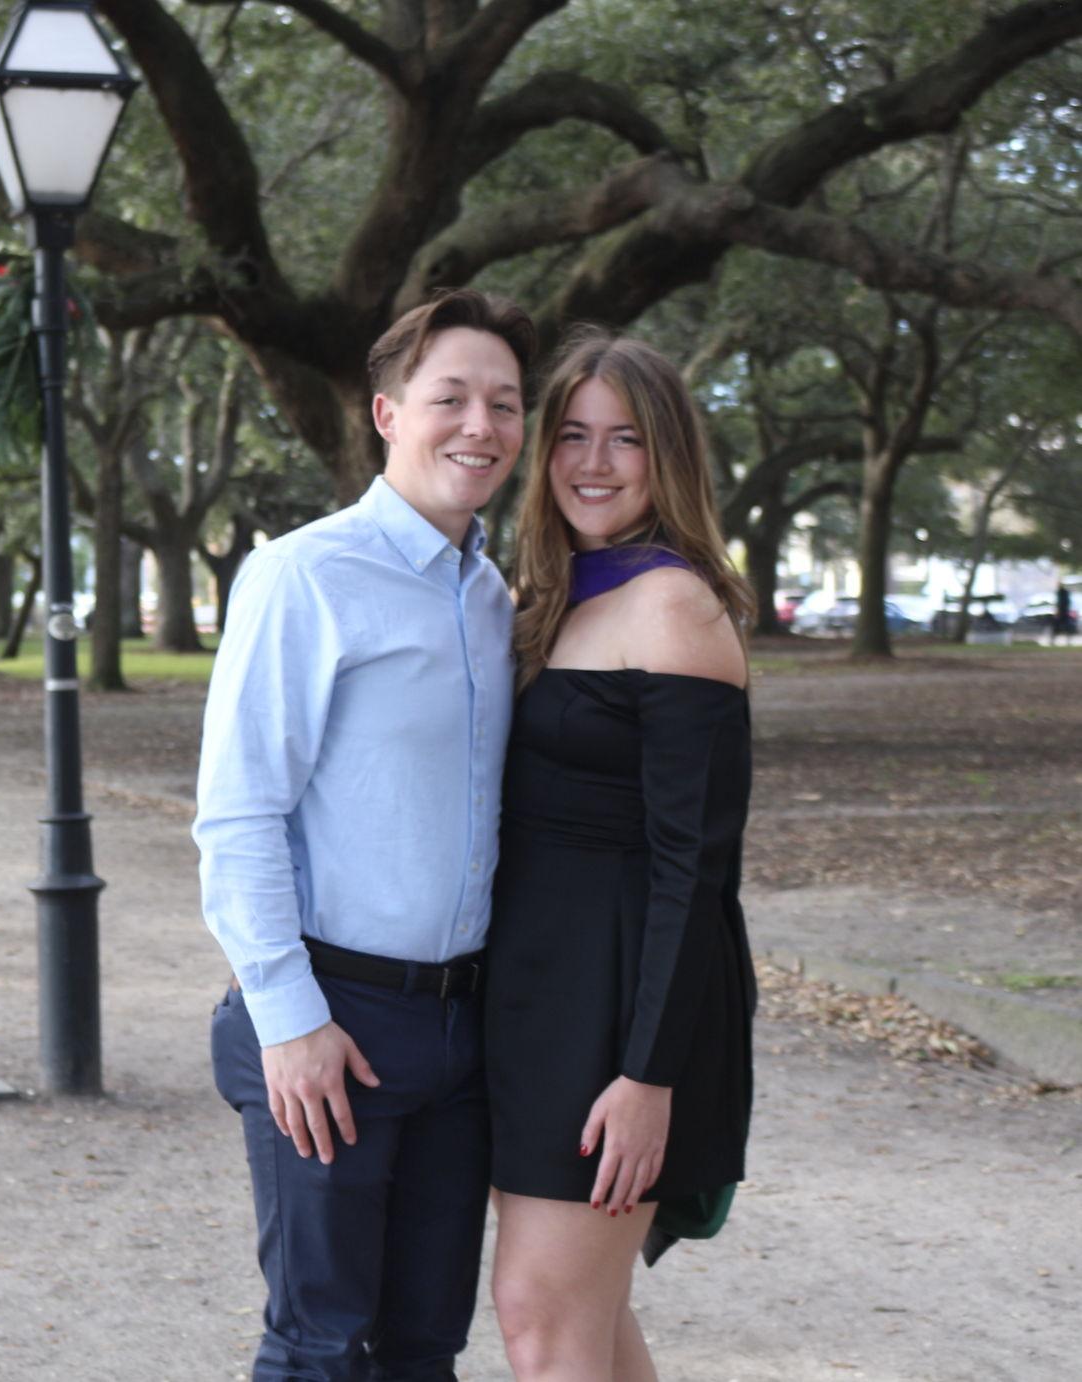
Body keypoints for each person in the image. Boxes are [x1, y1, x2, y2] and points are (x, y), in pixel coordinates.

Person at [194, 289, 536, 1379]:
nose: (478, 425)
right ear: (388, 413)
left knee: (424, 1347)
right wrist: (288, 1018)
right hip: (330, 1021)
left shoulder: (495, 596)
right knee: (317, 1344)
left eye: (504, 402)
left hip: (458, 1031)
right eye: (450, 398)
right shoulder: (306, 574)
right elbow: (239, 811)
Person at [484, 330, 758, 1380]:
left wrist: (649, 1072)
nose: (592, 463)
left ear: (667, 458)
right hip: (530, 992)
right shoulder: (546, 595)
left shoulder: (671, 604)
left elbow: (696, 871)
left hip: (619, 1009)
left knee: (541, 1317)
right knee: (580, 1319)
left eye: (624, 440)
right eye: (570, 435)